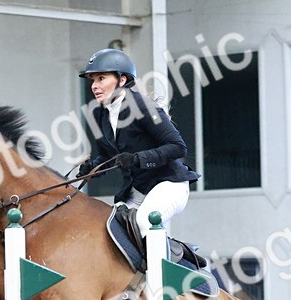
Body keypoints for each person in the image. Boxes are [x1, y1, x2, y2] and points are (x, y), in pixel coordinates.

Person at [76, 48, 199, 239]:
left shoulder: (143, 107)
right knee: (105, 228)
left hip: (168, 184)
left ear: (122, 80)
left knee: (146, 221)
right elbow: (110, 157)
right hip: (137, 191)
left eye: (101, 79)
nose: (94, 85)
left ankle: (160, 269)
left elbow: (177, 147)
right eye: (93, 80)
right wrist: (92, 169)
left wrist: (137, 159)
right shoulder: (99, 114)